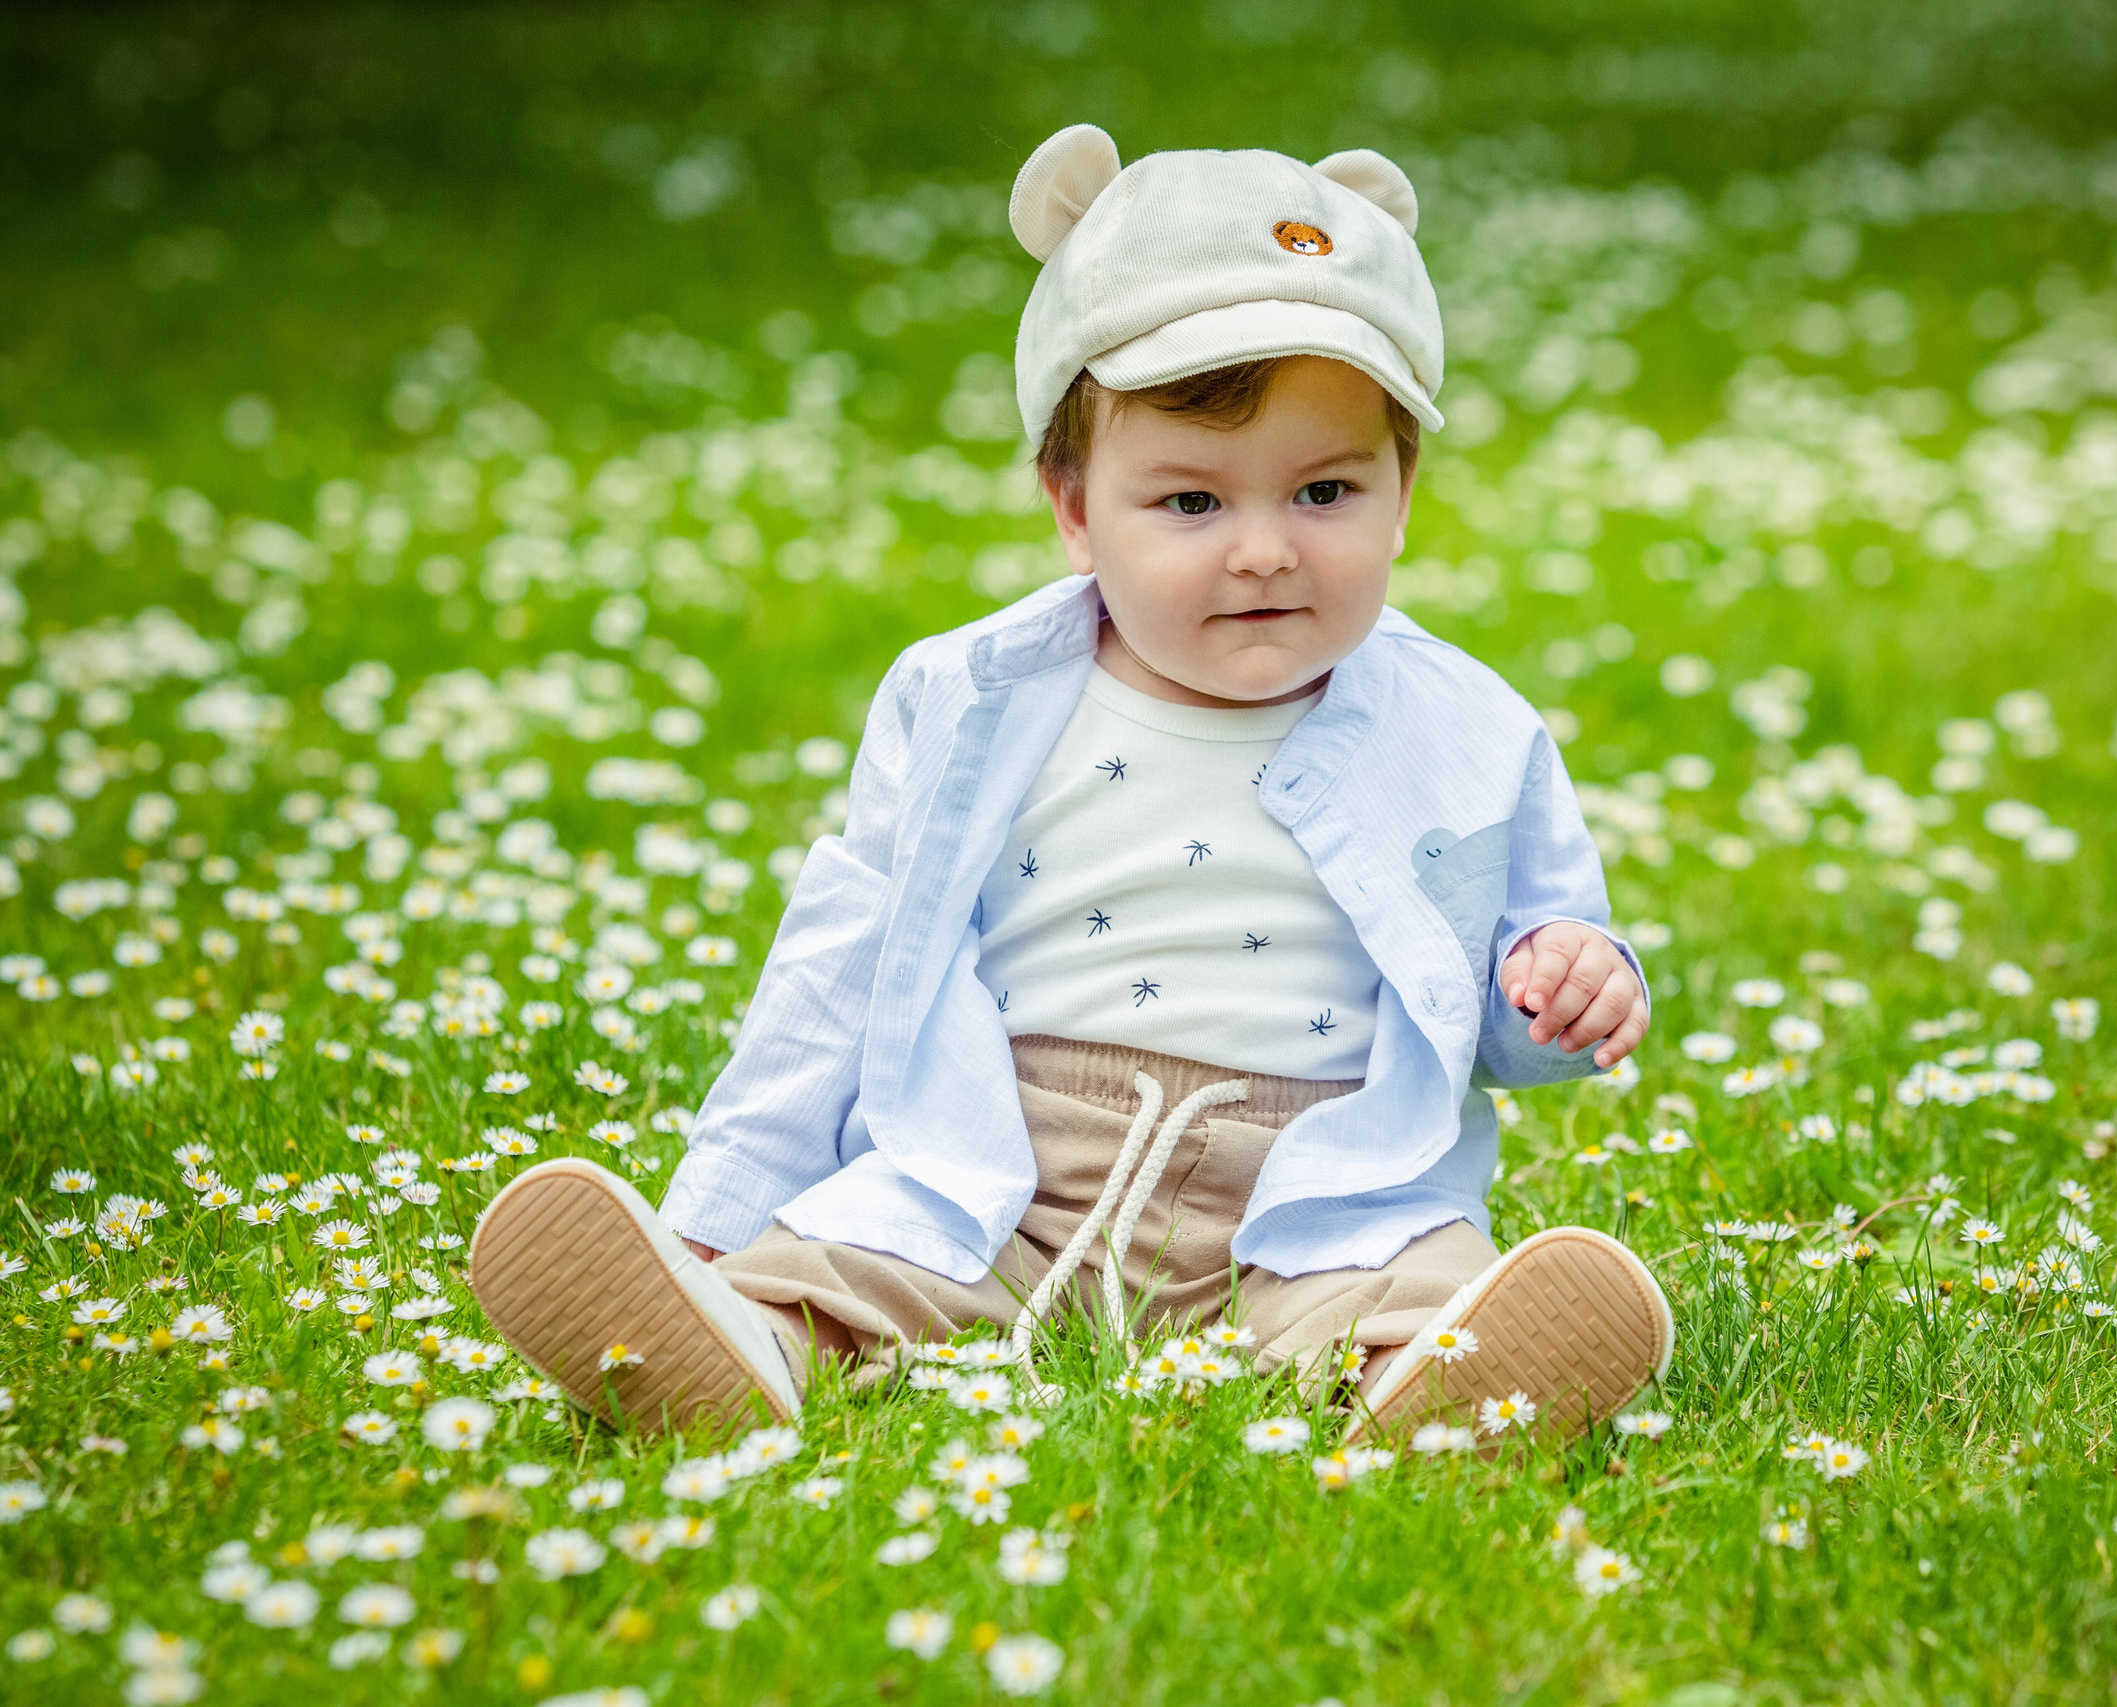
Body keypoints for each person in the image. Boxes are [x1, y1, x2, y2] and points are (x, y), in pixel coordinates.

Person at [468, 124, 1673, 1447]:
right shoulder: (973, 702)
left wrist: (1565, 980)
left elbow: (1497, 998)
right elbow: (846, 960)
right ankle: (740, 1337)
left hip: (1321, 1187)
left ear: (1403, 495)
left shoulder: (1469, 732)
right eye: (1191, 504)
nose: (1266, 550)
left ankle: (1422, 1386)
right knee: (862, 1265)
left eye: (1325, 490)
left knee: (1401, 1284)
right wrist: (718, 1207)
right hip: (1011, 1171)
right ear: (1072, 505)